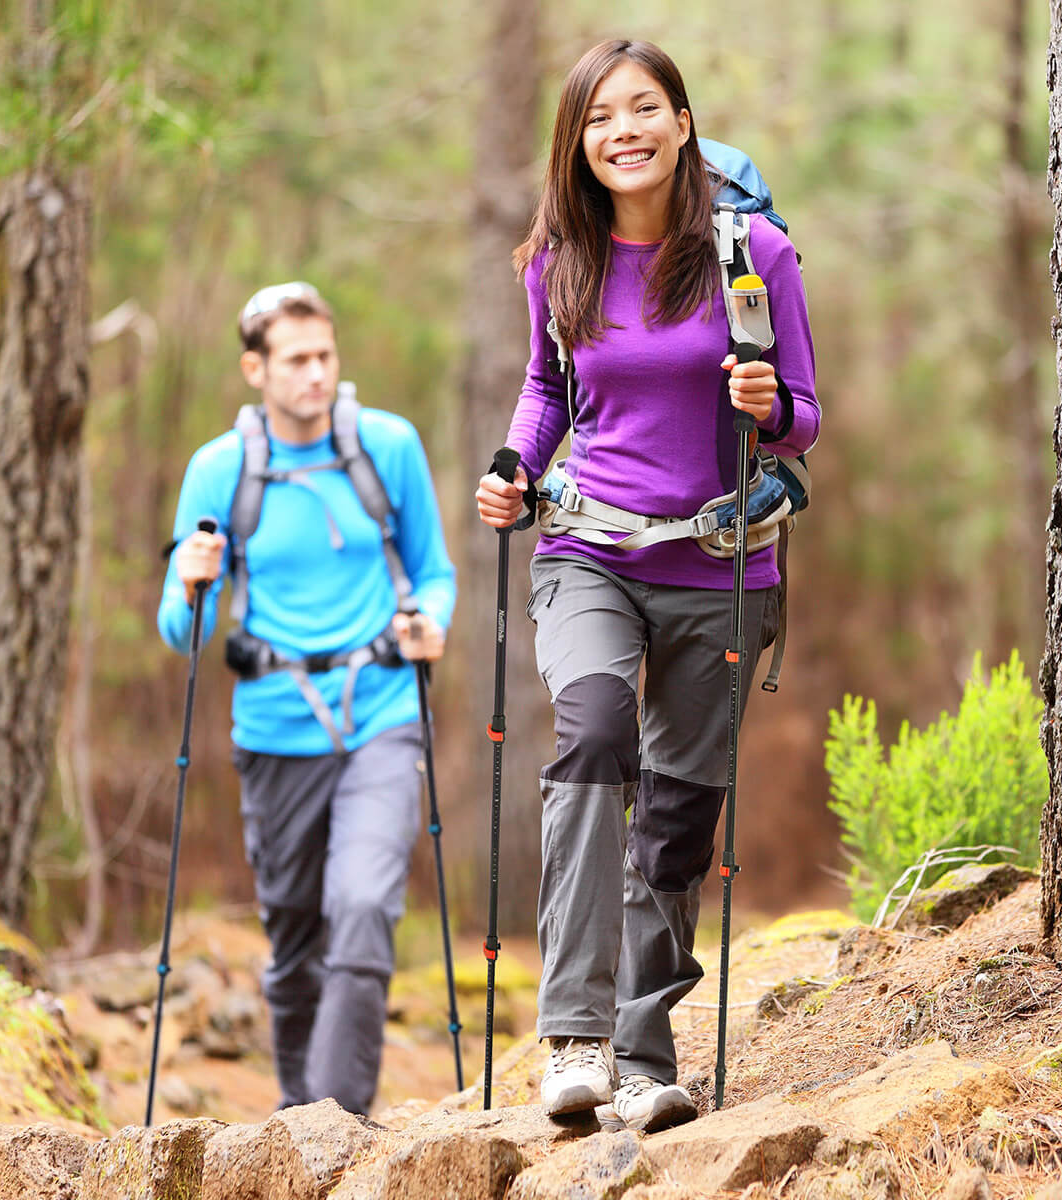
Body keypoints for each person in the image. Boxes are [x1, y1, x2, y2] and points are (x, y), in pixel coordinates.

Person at [475, 39, 819, 1131]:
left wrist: (766, 403)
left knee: (677, 809)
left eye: (642, 110)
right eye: (598, 118)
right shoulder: (557, 256)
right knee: (588, 734)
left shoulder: (750, 250)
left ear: (680, 122)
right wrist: (515, 466)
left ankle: (643, 1053)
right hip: (589, 552)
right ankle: (572, 1036)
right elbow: (547, 388)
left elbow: (804, 414)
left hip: (722, 566)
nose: (621, 131)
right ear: (578, 142)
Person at [159, 281, 456, 1116]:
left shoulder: (388, 446)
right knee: (294, 934)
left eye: (326, 355)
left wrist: (429, 621)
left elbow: (434, 570)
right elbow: (181, 636)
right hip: (273, 727)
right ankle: (300, 1117)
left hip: (386, 712)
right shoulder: (220, 470)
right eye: (296, 361)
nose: (316, 374)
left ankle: (339, 1123)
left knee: (362, 906)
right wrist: (189, 584)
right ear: (255, 368)